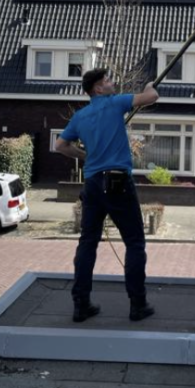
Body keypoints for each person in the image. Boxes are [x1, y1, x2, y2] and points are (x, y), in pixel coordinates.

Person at [55, 68, 159, 323]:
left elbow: (60, 145)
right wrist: (149, 85)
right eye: (108, 80)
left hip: (92, 184)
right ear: (98, 88)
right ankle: (138, 304)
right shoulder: (115, 103)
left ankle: (81, 305)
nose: (113, 83)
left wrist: (85, 155)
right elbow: (151, 97)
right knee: (134, 242)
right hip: (118, 182)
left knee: (87, 243)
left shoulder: (80, 116)